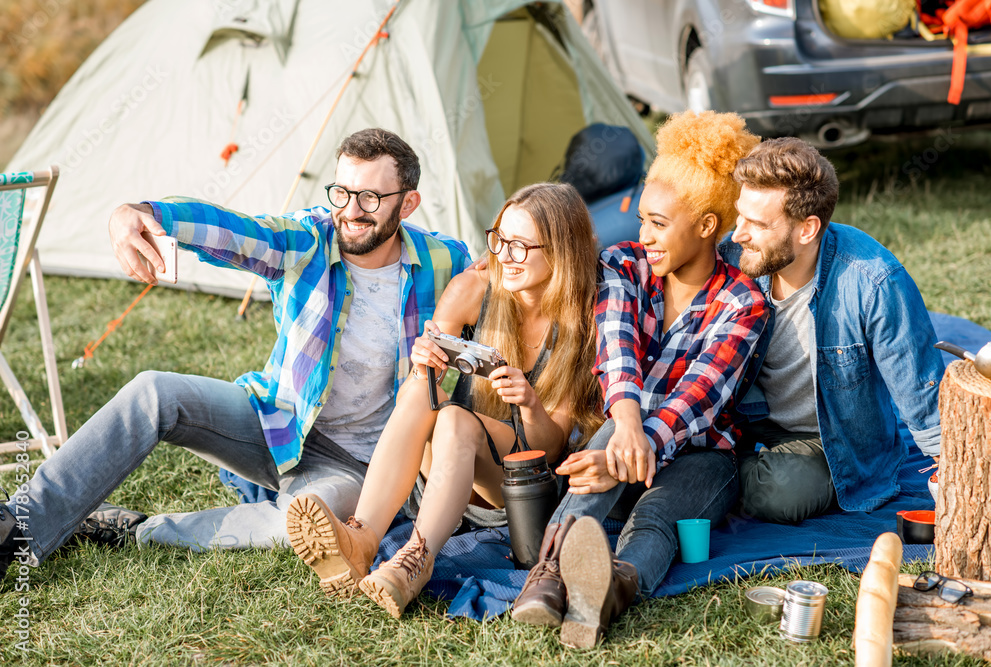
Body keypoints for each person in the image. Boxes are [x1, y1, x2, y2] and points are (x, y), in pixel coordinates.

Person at [0, 128, 470, 580]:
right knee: (154, 391)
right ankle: (19, 525)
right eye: (342, 193)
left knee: (305, 526)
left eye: (370, 197)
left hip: (363, 467)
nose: (351, 210)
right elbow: (233, 230)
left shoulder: (447, 263)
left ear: (408, 203)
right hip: (276, 422)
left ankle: (138, 528)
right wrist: (140, 212)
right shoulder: (306, 241)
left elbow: (508, 291)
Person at [509, 110, 769, 648]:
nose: (643, 234)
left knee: (655, 523)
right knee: (621, 422)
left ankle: (604, 595)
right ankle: (552, 574)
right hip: (616, 441)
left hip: (700, 455)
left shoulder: (743, 302)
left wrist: (626, 449)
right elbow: (615, 351)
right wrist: (624, 427)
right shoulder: (622, 264)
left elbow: (698, 399)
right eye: (642, 217)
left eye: (658, 223)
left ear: (705, 226)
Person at [284, 182, 603, 618]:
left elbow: (551, 449)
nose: (504, 256)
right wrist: (424, 360)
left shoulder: (583, 322)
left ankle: (416, 558)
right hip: (445, 473)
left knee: (455, 420)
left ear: (561, 251)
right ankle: (362, 537)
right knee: (421, 388)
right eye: (500, 240)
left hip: (517, 488)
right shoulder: (476, 287)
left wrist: (529, 402)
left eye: (522, 246)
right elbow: (426, 374)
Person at [717, 137, 944, 524]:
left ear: (807, 229)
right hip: (748, 423)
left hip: (831, 440)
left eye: (756, 224)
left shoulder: (873, 280)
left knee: (780, 496)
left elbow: (921, 389)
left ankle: (718, 475)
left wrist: (952, 472)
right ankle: (722, 470)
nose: (738, 234)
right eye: (740, 216)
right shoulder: (733, 255)